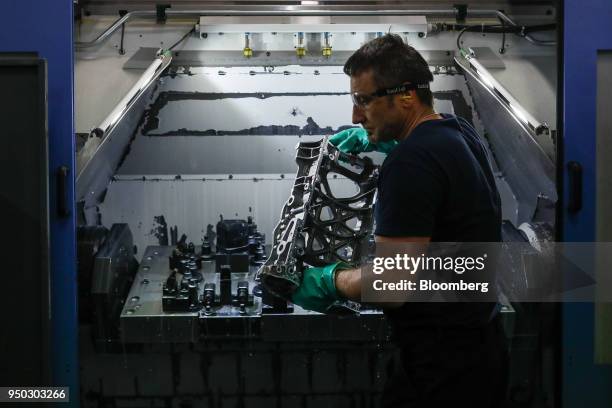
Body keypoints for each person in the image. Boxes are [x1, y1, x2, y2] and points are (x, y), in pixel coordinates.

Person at [291, 34, 508, 407]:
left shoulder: (410, 164)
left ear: (406, 96)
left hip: (442, 369)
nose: (356, 116)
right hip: (481, 348)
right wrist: (383, 140)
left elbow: (391, 284)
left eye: (363, 101)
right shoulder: (458, 131)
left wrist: (331, 279)